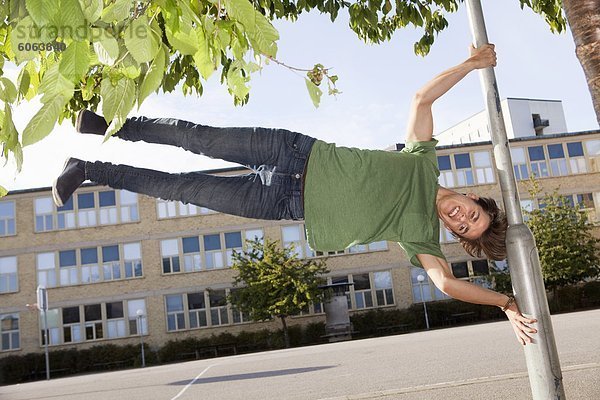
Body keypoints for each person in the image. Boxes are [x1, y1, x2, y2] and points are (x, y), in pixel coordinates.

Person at [53, 44, 537, 345]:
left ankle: (90, 169)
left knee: (182, 189)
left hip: (283, 204)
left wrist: (506, 304)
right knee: (197, 138)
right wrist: (471, 64)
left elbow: (447, 285)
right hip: (292, 152)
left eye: (462, 228)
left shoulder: (421, 239)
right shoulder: (423, 161)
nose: (459, 219)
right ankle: (112, 126)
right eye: (470, 214)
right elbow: (421, 99)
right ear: (474, 199)